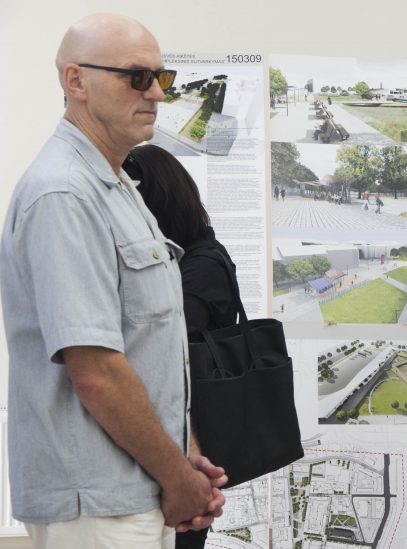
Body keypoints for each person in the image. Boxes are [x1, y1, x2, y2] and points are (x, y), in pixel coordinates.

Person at [0, 14, 226, 549]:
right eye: (136, 77)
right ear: (76, 81)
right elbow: (97, 372)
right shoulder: (64, 194)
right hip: (98, 502)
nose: (157, 94)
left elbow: (151, 349)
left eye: (162, 78)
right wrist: (178, 477)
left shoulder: (116, 186)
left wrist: (184, 458)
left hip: (137, 490)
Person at [124, 144, 238, 549]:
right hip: (171, 438)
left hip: (188, 443)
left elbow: (162, 341)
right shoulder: (186, 260)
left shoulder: (201, 264)